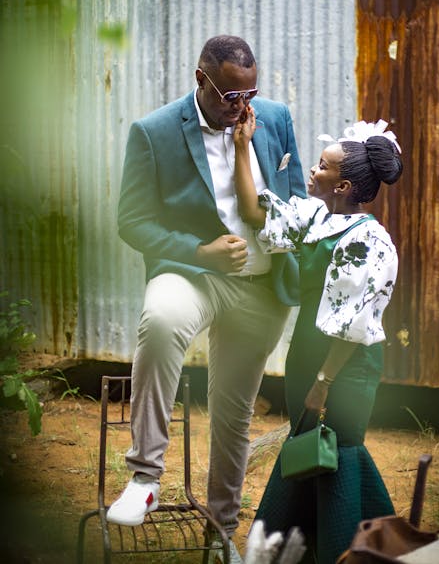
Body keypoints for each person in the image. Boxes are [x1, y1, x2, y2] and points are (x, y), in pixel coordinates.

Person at [106, 35, 306, 563]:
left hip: (263, 289)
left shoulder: (275, 118)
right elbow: (132, 221)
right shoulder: (153, 133)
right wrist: (200, 250)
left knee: (232, 416)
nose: (242, 107)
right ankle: (145, 476)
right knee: (163, 317)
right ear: (201, 79)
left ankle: (220, 538)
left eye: (250, 94)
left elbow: (300, 200)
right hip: (195, 272)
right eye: (228, 96)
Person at [233, 112, 403, 564]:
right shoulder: (313, 217)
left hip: (344, 365)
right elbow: (255, 213)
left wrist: (324, 381)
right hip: (306, 352)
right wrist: (240, 147)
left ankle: (344, 551)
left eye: (323, 167)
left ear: (344, 186)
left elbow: (353, 323)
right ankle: (294, 552)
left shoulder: (368, 241)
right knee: (306, 444)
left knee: (338, 449)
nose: (313, 170)